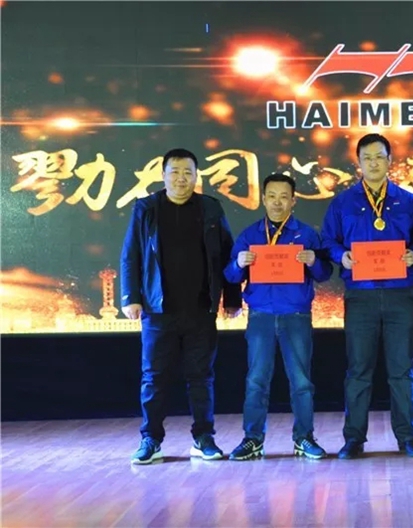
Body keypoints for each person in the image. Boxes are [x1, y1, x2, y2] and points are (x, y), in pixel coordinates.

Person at [121, 147, 242, 465]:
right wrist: (131, 297)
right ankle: (151, 440)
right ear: (163, 175)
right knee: (154, 377)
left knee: (201, 377)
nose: (181, 178)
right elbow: (131, 254)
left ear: (196, 176)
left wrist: (232, 298)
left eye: (188, 172)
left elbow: (227, 254)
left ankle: (204, 438)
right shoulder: (146, 208)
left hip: (201, 308)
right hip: (157, 310)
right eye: (174, 171)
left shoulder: (210, 208)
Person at [320, 133, 413, 459]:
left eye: (379, 157)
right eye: (367, 158)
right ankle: (354, 438)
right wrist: (341, 256)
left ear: (389, 161)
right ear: (358, 162)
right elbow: (327, 241)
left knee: (402, 370)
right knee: (358, 371)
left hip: (400, 295)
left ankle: (407, 437)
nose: (373, 163)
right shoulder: (343, 202)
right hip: (361, 296)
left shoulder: (408, 201)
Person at [223, 173, 333, 460]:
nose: (277, 202)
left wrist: (314, 261)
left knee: (301, 382)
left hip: (296, 316)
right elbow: (230, 275)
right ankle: (252, 439)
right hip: (260, 316)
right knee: (256, 380)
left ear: (293, 201)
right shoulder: (250, 235)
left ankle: (304, 438)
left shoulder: (306, 234)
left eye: (284, 197)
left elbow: (325, 273)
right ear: (263, 199)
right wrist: (238, 263)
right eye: (272, 196)